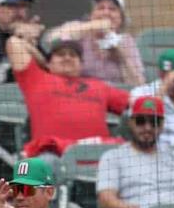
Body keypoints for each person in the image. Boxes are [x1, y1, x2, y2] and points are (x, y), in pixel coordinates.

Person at [7, 33, 129, 161]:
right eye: (61, 54)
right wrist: (42, 60)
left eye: (73, 55)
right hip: (52, 155)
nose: (67, 58)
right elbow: (13, 43)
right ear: (49, 63)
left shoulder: (98, 86)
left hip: (97, 155)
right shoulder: (36, 78)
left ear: (81, 65)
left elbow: (138, 103)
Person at [97, 95, 174, 208]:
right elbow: (106, 198)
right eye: (141, 121)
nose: (147, 127)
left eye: (154, 122)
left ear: (162, 125)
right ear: (131, 123)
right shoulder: (113, 157)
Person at [46, 0, 144, 87]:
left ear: (121, 19)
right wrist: (94, 26)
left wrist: (120, 54)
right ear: (92, 14)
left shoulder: (126, 41)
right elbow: (50, 40)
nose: (106, 13)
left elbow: (138, 84)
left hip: (114, 94)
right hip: (82, 93)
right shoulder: (79, 29)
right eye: (100, 8)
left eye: (112, 9)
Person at [131, 48, 174, 147]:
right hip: (158, 156)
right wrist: (164, 89)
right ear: (163, 75)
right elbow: (144, 123)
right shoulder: (141, 93)